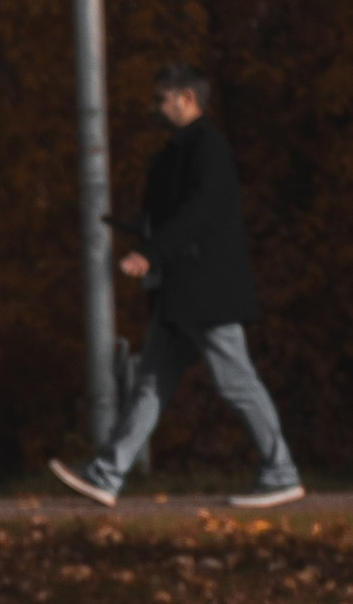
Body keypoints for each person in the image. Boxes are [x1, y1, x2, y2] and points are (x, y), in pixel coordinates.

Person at [50, 69, 303, 511]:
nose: (154, 108)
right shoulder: (178, 153)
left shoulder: (208, 148)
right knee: (150, 383)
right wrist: (139, 232)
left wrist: (150, 252)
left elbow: (200, 212)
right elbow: (178, 214)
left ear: (187, 99)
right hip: (183, 292)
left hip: (206, 291)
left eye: (161, 99)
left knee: (236, 383)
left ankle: (281, 473)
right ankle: (107, 475)